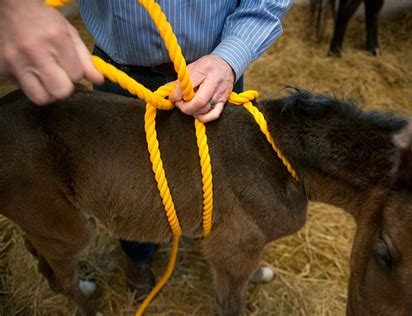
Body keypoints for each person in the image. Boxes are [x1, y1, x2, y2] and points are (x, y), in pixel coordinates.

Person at [0, 0, 293, 299]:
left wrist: (230, 57)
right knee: (132, 191)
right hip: (121, 75)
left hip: (219, 71)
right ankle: (138, 258)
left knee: (229, 185)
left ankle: (232, 248)